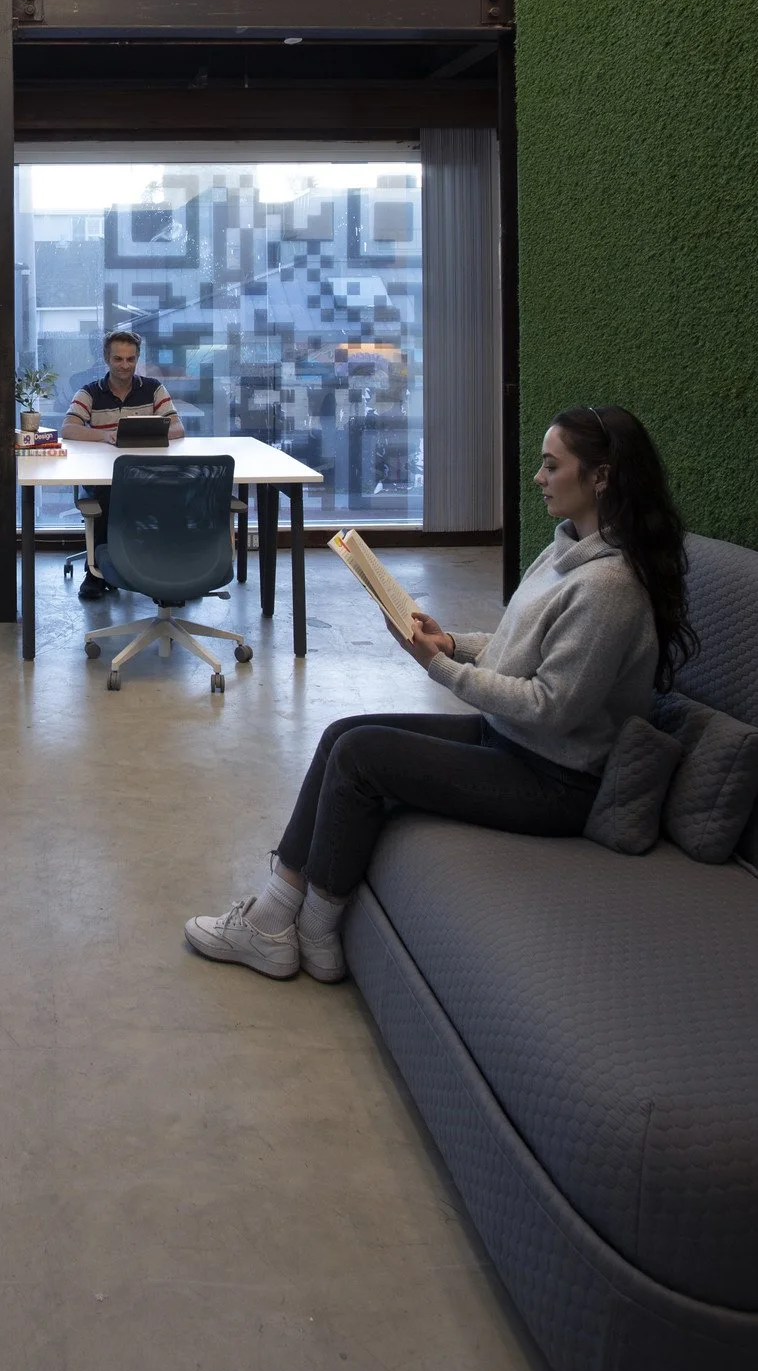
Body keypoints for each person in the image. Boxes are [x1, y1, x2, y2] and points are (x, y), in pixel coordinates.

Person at [185, 404, 696, 983]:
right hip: (513, 745)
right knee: (342, 734)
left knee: (362, 756)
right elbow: (515, 644)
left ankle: (309, 928)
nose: (538, 478)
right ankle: (278, 916)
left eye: (552, 467)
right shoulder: (564, 551)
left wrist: (439, 669)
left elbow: (550, 707)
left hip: (556, 781)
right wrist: (451, 642)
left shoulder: (609, 588)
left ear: (600, 476)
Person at [62, 329, 185, 601]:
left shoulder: (153, 389)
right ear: (107, 359)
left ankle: (172, 574)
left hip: (149, 475)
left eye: (131, 359)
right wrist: (105, 435)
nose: (125, 365)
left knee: (176, 494)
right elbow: (68, 428)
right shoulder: (90, 392)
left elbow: (178, 428)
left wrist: (146, 433)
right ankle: (97, 574)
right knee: (108, 497)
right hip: (105, 477)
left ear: (137, 358)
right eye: (118, 359)